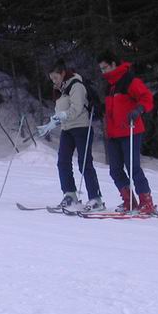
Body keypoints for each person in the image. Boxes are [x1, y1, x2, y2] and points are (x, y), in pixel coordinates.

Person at [36, 59, 104, 212]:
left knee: (84, 163)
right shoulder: (60, 89)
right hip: (67, 129)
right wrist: (51, 123)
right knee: (63, 162)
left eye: (55, 77)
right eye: (51, 78)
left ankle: (96, 198)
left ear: (62, 73)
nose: (54, 81)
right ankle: (70, 195)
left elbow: (77, 109)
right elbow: (60, 112)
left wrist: (62, 116)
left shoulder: (76, 85)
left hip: (82, 128)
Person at [98, 51, 158, 215]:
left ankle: (147, 202)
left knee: (133, 167)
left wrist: (139, 109)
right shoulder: (109, 86)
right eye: (101, 69)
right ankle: (129, 201)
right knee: (115, 170)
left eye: (105, 67)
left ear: (113, 64)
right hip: (113, 133)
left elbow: (146, 98)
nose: (103, 71)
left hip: (130, 130)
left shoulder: (129, 80)